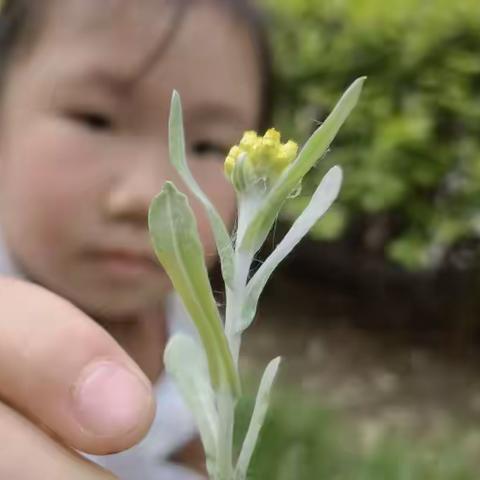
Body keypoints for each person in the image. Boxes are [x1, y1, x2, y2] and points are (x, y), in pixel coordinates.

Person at [0, 0, 270, 478]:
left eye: (208, 146)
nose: (147, 196)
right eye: (95, 119)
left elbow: (196, 445)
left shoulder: (196, 323)